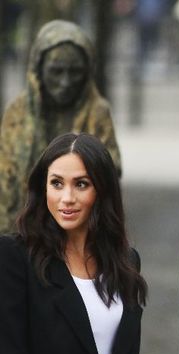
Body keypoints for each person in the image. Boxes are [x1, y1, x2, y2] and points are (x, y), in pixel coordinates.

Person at [0, 133, 147, 354]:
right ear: (42, 188)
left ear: (101, 190)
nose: (66, 197)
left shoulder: (126, 260)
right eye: (56, 183)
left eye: (81, 184)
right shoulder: (15, 256)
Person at [0, 19, 121, 234]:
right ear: (38, 69)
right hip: (21, 228)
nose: (65, 82)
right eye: (56, 71)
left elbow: (109, 175)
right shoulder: (18, 112)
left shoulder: (97, 112)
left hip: (80, 230)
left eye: (75, 72)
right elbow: (4, 180)